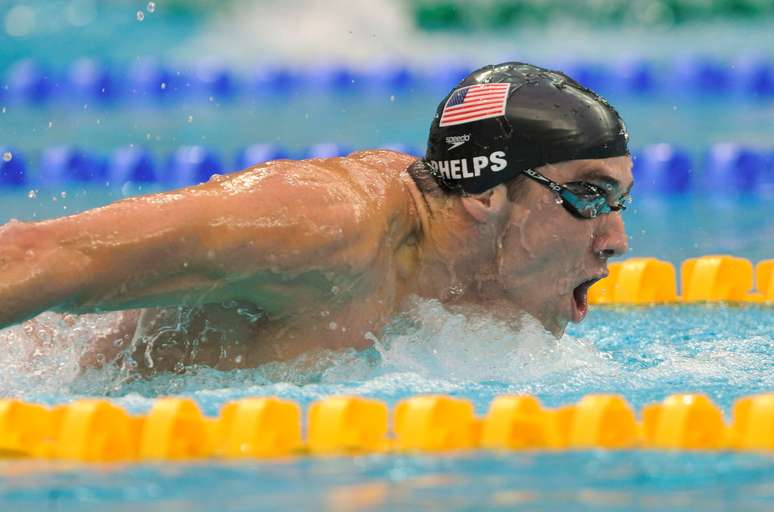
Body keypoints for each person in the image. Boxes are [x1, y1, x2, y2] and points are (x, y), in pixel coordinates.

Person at [0, 62, 633, 374]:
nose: (616, 240)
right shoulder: (324, 224)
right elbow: (33, 256)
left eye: (620, 201)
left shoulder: (470, 288)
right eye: (588, 197)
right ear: (485, 193)